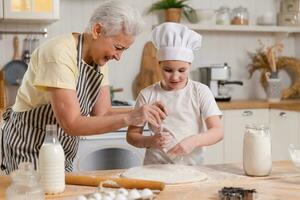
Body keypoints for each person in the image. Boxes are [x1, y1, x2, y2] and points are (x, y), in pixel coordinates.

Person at [0, 0, 167, 174]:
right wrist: (130, 118)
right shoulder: (59, 53)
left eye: (124, 50)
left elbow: (103, 113)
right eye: (118, 47)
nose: (118, 57)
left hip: (62, 150)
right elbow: (71, 123)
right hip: (29, 147)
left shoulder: (99, 58)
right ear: (97, 30)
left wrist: (143, 111)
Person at [127, 22, 223, 165]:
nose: (175, 77)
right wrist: (151, 141)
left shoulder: (200, 92)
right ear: (159, 64)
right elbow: (132, 135)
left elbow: (218, 131)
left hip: (192, 168)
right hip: (155, 168)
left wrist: (194, 141)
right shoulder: (147, 94)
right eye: (168, 70)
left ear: (190, 65)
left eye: (182, 70)